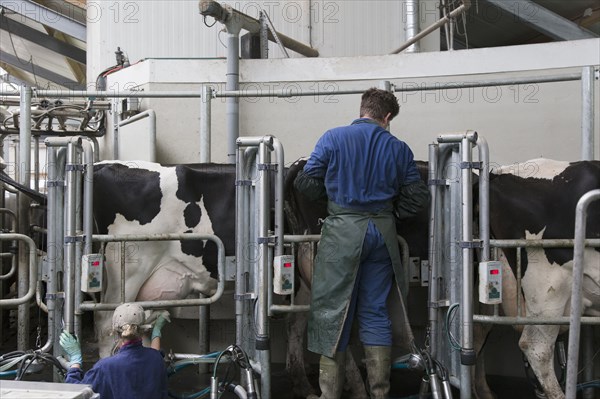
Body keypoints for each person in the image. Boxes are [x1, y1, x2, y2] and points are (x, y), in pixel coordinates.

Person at [294, 88, 429, 399]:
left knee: (332, 311)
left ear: (362, 109)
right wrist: (392, 212)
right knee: (375, 312)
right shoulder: (398, 148)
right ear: (388, 117)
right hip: (382, 235)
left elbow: (305, 181)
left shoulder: (333, 137)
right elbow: (418, 196)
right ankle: (380, 393)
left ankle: (330, 394)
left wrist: (334, 202)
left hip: (342, 233)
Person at [60, 303, 170, 399]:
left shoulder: (105, 367)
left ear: (115, 331)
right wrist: (156, 333)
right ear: (143, 329)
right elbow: (154, 355)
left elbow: (76, 392)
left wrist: (75, 362)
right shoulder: (156, 359)